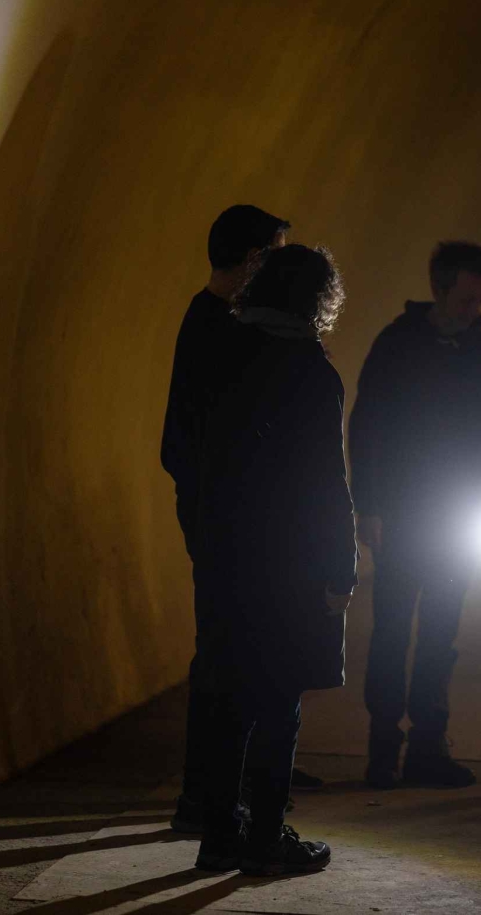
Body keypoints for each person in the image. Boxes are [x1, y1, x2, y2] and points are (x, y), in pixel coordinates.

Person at [193, 244, 356, 875]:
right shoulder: (310, 371)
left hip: (226, 553)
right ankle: (265, 835)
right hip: (289, 561)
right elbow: (325, 480)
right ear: (319, 302)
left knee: (227, 697)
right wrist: (340, 566)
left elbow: (193, 453)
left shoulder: (223, 357)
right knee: (277, 701)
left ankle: (218, 834)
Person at [160, 205, 302, 833]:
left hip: (217, 521)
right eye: (275, 256)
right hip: (228, 526)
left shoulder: (209, 319)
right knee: (226, 661)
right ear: (252, 260)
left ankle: (216, 791)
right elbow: (196, 440)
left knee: (223, 657)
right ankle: (208, 799)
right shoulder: (224, 329)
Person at [350, 241, 481, 789]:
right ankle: (384, 747)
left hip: (456, 517)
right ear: (439, 289)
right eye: (466, 298)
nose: (475, 309)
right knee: (392, 629)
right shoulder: (397, 343)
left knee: (441, 632)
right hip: (402, 514)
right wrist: (368, 504)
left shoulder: (479, 348)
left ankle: (427, 746)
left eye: (480, 299)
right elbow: (366, 426)